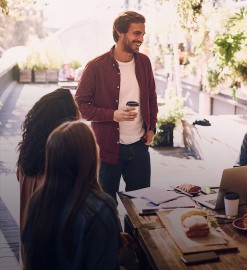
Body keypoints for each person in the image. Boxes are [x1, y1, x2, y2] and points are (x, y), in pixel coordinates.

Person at [75, 11, 158, 202]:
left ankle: (133, 234)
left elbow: (151, 98)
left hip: (139, 147)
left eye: (143, 34)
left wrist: (152, 127)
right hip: (107, 149)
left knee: (142, 205)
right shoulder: (95, 66)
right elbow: (81, 105)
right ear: (120, 32)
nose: (141, 39)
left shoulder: (144, 62)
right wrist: (113, 115)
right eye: (136, 34)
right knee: (105, 207)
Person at [22, 121, 121, 269]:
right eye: (95, 143)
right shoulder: (100, 208)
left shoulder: (37, 200)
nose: (99, 147)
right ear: (88, 157)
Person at [17, 88, 80, 232]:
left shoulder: (27, 154)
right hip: (52, 246)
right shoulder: (62, 160)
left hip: (30, 245)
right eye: (75, 108)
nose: (79, 112)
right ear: (65, 120)